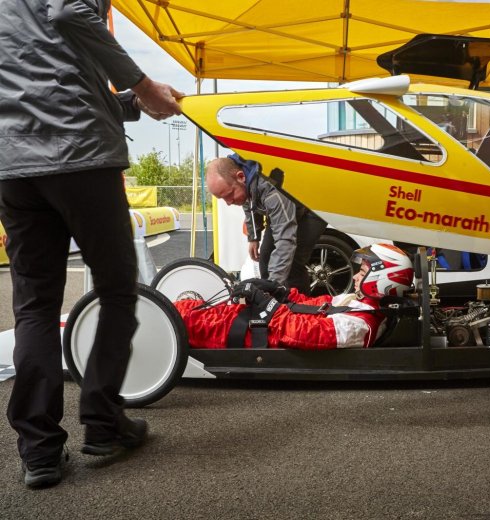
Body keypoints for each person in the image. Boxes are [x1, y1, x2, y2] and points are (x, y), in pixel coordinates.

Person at [0, 0, 184, 488]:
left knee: (34, 305)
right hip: (81, 153)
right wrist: (143, 85)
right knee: (117, 288)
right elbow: (66, 13)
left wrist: (133, 103)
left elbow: (43, 69)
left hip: (13, 161)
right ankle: (103, 421)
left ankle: (38, 450)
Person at [174, 243, 415, 350]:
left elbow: (299, 334)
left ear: (381, 279)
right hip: (261, 323)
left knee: (182, 320)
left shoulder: (359, 325)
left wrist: (265, 303)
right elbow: (316, 307)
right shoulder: (362, 306)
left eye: (362, 273)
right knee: (187, 309)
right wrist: (282, 293)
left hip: (256, 331)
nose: (354, 278)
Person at [206, 154, 327, 294]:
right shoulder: (243, 179)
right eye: (223, 198)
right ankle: (270, 300)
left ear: (240, 177)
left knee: (292, 263)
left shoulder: (271, 189)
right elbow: (249, 203)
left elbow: (285, 241)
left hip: (313, 209)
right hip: (286, 209)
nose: (228, 202)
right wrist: (254, 236)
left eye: (229, 195)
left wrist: (273, 287)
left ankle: (299, 307)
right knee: (265, 257)